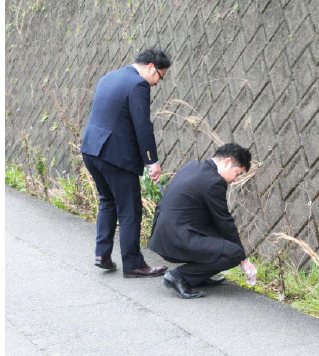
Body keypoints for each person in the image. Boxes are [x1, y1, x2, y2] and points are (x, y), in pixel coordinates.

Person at [80, 48, 170, 278]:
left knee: (107, 201)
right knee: (130, 209)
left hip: (92, 149)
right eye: (160, 76)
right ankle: (133, 264)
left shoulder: (110, 76)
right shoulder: (138, 85)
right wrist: (152, 161)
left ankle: (102, 254)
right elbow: (143, 127)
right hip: (116, 156)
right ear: (151, 67)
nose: (157, 83)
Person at [148, 143, 252, 299]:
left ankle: (198, 277)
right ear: (228, 162)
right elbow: (224, 221)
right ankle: (178, 277)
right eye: (237, 173)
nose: (235, 179)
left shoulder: (193, 166)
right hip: (177, 238)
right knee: (234, 253)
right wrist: (243, 260)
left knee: (219, 241)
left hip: (163, 235)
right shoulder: (214, 182)